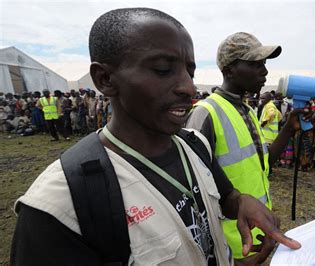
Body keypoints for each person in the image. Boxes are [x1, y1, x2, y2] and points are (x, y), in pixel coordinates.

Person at [10, 8, 300, 266]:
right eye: (163, 70)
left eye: (190, 70)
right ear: (105, 80)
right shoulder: (59, 207)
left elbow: (228, 198)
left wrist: (242, 202)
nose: (189, 87)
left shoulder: (194, 147)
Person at [186, 32, 303, 264]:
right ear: (229, 70)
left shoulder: (248, 111)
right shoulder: (205, 113)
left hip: (257, 232)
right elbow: (192, 189)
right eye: (255, 64)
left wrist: (289, 128)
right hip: (228, 244)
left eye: (265, 64)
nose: (265, 71)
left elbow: (263, 164)